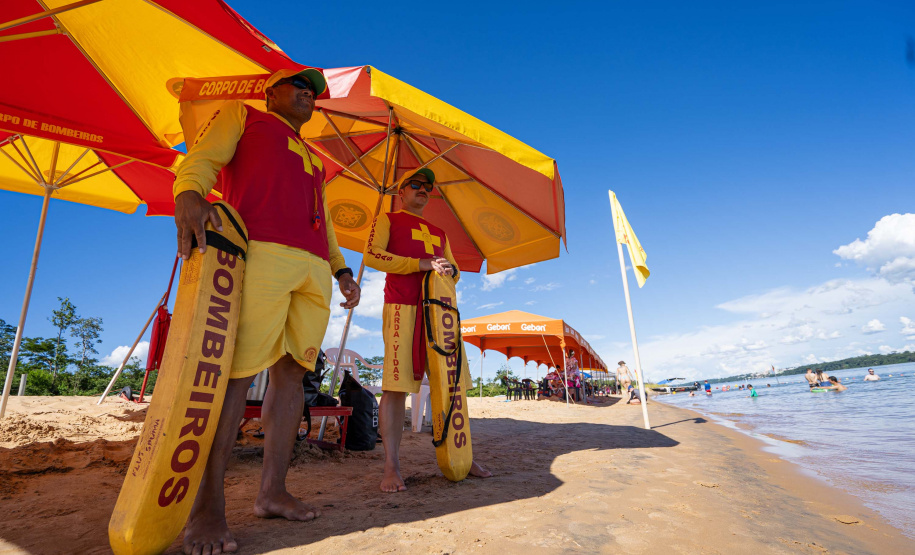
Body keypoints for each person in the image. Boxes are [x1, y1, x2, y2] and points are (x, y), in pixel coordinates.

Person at [171, 68, 362, 554]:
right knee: (235, 374)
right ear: (270, 92)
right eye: (298, 85)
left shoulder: (315, 160)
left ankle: (272, 491)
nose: (308, 94)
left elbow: (325, 223)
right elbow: (203, 159)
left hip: (315, 269)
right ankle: (206, 507)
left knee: (294, 376)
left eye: (314, 91)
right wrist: (189, 192)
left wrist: (341, 269)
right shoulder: (244, 116)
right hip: (259, 252)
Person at [363, 168, 491, 493]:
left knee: (450, 385)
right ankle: (391, 466)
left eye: (428, 187)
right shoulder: (388, 219)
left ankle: (461, 454)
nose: (423, 189)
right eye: (415, 184)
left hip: (440, 313)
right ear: (401, 191)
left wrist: (451, 269)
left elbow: (454, 271)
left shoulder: (440, 232)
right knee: (395, 387)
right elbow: (372, 255)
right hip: (402, 308)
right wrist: (417, 264)